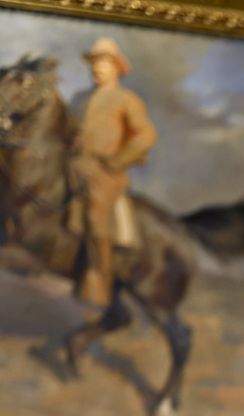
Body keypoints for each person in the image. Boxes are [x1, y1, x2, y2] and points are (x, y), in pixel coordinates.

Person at [71, 37, 158, 310]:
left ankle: (99, 281)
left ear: (117, 68)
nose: (97, 69)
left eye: (104, 64)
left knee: (97, 215)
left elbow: (146, 136)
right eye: (95, 63)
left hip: (104, 173)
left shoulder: (126, 99)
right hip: (75, 164)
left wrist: (116, 161)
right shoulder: (81, 99)